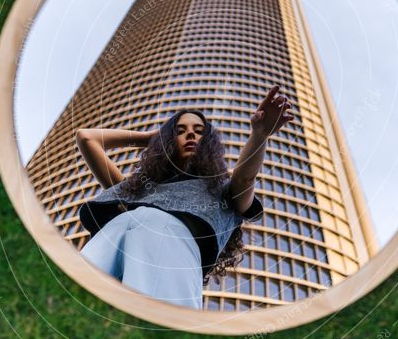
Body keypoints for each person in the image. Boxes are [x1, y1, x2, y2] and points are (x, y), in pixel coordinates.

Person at [74, 84, 294, 309]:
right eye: (179, 130)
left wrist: (259, 135)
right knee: (73, 302)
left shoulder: (222, 191)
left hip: (173, 251)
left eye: (199, 131)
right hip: (110, 238)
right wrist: (151, 138)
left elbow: (244, 179)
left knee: (157, 324)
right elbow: (86, 138)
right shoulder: (135, 188)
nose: (190, 133)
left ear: (208, 143)